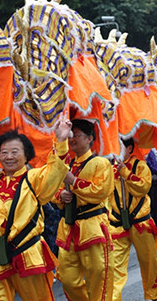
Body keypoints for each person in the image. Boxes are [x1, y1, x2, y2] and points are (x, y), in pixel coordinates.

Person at [0, 116, 72, 301]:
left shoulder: (34, 178)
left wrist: (61, 140)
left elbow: (56, 170)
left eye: (15, 152)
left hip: (28, 257)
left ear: (26, 154)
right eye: (4, 152)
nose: (9, 156)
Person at [52, 119, 114, 301]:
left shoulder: (101, 163)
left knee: (98, 278)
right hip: (68, 228)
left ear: (89, 139)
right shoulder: (67, 164)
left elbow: (100, 191)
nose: (72, 139)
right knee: (67, 279)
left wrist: (74, 182)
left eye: (77, 135)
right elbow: (52, 189)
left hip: (92, 227)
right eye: (71, 135)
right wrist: (60, 196)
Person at [109, 139, 157, 301]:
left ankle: (152, 295)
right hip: (117, 224)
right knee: (115, 267)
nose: (116, 150)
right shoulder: (109, 169)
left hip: (140, 223)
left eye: (120, 147)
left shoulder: (140, 166)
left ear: (130, 148)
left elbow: (144, 187)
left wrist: (125, 172)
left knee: (148, 262)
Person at [145, 150, 157, 231]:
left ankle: (155, 223)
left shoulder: (150, 150)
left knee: (156, 202)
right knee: (153, 203)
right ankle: (153, 224)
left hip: (155, 179)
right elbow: (150, 165)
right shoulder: (145, 151)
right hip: (151, 179)